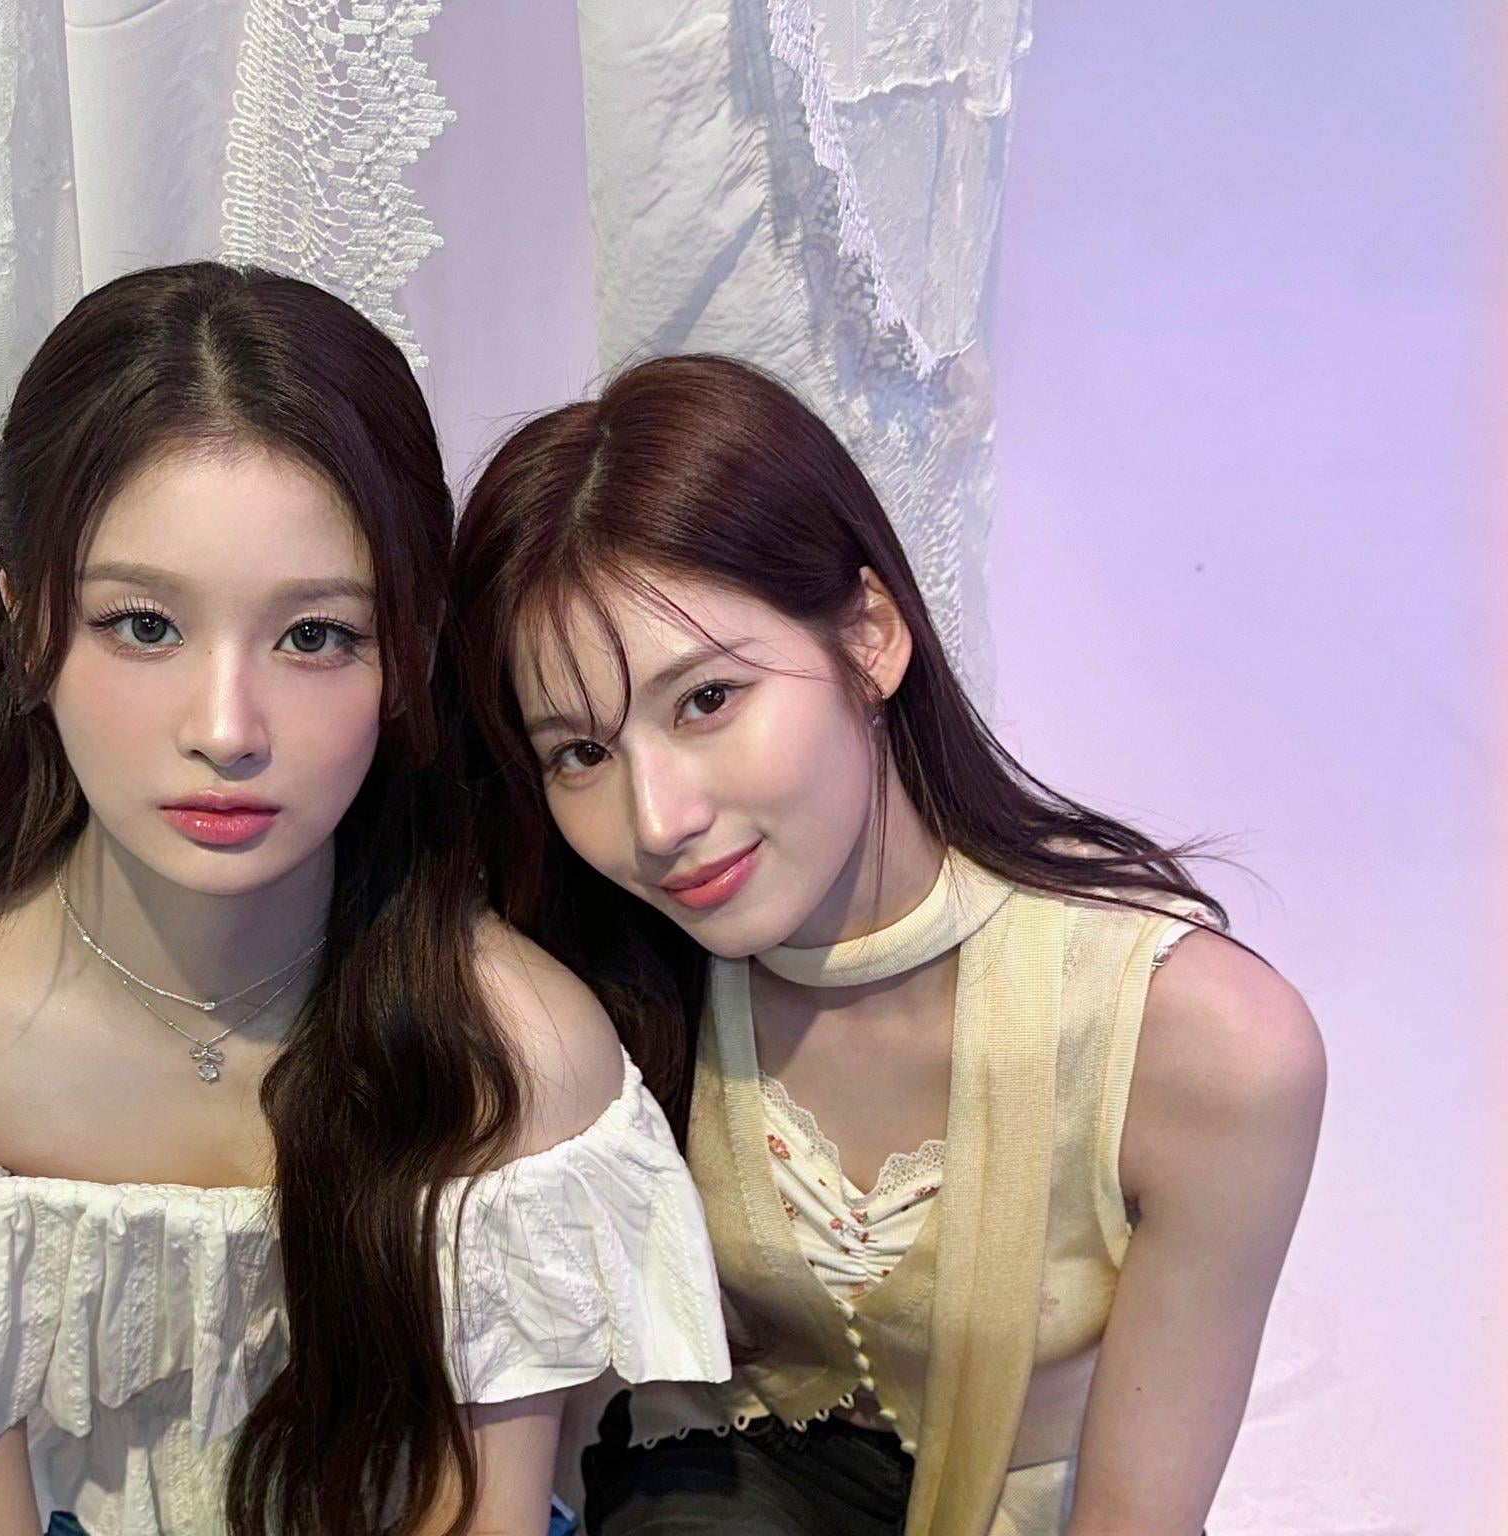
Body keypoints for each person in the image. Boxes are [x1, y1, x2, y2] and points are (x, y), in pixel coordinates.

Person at [0, 266, 728, 1536]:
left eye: (314, 635)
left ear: (407, 655)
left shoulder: (516, 1054)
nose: (226, 728)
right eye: (143, 624)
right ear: (27, 622)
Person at [447, 353, 1326, 1536]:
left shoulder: (1201, 1047)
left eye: (705, 700)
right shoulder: (590, 991)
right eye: (580, 753)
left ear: (868, 636)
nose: (656, 821)